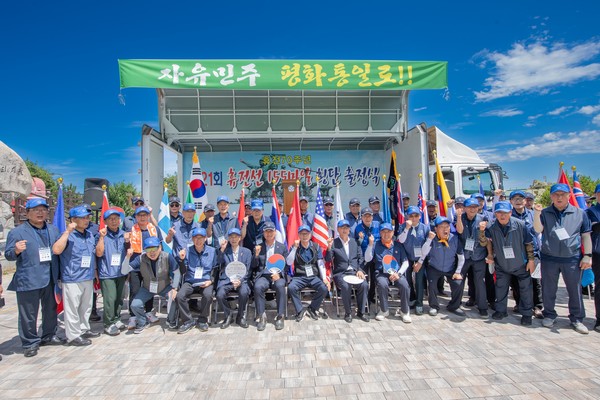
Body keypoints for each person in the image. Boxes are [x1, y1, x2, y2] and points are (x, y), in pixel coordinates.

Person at [5, 198, 65, 357]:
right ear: (27, 213)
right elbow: (8, 255)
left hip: (50, 278)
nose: (40, 213)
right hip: (28, 279)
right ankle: (30, 342)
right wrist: (16, 250)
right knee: (28, 314)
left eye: (43, 210)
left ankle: (49, 335)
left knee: (51, 310)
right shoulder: (17, 232)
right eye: (36, 210)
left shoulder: (53, 230)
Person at [534, 183, 593, 334]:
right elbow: (538, 230)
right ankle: (549, 315)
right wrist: (536, 213)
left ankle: (577, 319)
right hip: (549, 258)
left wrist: (587, 255)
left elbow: (586, 235)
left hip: (572, 258)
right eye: (556, 195)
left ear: (568, 196)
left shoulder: (580, 213)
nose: (559, 197)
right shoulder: (545, 213)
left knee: (574, 290)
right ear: (551, 197)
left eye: (562, 194)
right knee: (548, 289)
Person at [52, 206, 101, 346]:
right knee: (72, 308)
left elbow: (92, 255)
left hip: (88, 276)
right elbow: (56, 250)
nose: (86, 220)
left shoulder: (90, 235)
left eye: (87, 218)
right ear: (73, 220)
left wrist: (95, 272)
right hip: (72, 277)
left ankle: (84, 329)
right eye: (83, 218)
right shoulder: (67, 235)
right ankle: (73, 336)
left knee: (86, 306)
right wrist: (67, 231)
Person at [485, 201, 535, 325]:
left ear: (510, 213)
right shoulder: (491, 227)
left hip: (520, 263)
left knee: (525, 290)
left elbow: (529, 243)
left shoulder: (521, 225)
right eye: (499, 213)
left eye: (505, 213)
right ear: (495, 214)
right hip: (502, 263)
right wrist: (490, 254)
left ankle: (527, 313)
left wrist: (531, 260)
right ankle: (501, 310)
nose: (502, 216)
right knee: (501, 288)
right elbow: (486, 241)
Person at [122, 237, 180, 334]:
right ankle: (142, 321)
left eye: (155, 249)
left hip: (164, 287)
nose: (152, 252)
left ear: (160, 247)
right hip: (147, 288)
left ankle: (171, 320)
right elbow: (124, 271)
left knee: (174, 298)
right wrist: (127, 257)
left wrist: (174, 288)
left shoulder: (167, 256)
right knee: (135, 305)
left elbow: (177, 273)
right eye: (148, 249)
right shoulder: (140, 258)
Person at [418, 216, 466, 317]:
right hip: (434, 267)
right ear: (435, 229)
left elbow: (461, 257)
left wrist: (457, 272)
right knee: (432, 285)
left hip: (450, 267)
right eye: (441, 227)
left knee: (458, 283)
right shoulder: (432, 238)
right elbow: (423, 252)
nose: (445, 229)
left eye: (447, 226)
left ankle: (454, 306)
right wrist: (429, 240)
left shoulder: (455, 239)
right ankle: (434, 306)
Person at [365, 223, 411, 323]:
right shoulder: (376, 244)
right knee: (382, 284)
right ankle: (384, 310)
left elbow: (405, 262)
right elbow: (367, 258)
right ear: (380, 233)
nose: (386, 234)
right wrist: (370, 245)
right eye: (384, 232)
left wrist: (398, 274)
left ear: (392, 232)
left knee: (404, 285)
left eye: (389, 232)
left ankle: (404, 311)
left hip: (397, 273)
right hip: (382, 273)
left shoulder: (398, 245)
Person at [326, 219, 369, 323]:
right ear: (338, 229)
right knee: (345, 286)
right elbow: (328, 259)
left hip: (354, 272)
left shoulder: (355, 242)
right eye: (342, 228)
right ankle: (348, 312)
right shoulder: (334, 243)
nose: (344, 230)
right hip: (340, 273)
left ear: (349, 229)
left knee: (364, 285)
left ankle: (361, 311)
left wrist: (359, 270)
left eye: (346, 227)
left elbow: (360, 258)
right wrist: (329, 247)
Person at [175, 228, 217, 334]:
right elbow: (183, 271)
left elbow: (216, 268)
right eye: (196, 238)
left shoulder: (212, 251)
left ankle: (202, 320)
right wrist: (181, 260)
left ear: (205, 238)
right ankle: (188, 321)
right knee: (180, 296)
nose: (198, 240)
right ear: (192, 239)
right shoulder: (187, 251)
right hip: (190, 281)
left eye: (201, 238)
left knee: (208, 295)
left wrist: (211, 281)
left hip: (205, 281)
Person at [126, 206, 162, 329]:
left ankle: (148, 312)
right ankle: (133, 316)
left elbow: (160, 245)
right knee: (135, 290)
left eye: (144, 215)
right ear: (135, 217)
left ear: (148, 216)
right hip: (136, 265)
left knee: (150, 289)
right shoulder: (130, 230)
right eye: (139, 215)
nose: (142, 217)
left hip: (150, 265)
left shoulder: (154, 229)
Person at [509, 190, 543, 318]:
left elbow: (538, 230)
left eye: (521, 198)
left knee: (536, 281)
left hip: (532, 253)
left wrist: (538, 214)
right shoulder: (507, 215)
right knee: (516, 281)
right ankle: (519, 303)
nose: (518, 201)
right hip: (515, 254)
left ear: (525, 201)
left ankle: (537, 306)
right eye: (515, 199)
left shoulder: (533, 215)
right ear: (511, 201)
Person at [95, 209, 128, 336]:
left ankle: (116, 318)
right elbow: (98, 253)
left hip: (121, 272)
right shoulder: (101, 235)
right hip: (107, 272)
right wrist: (102, 238)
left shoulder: (124, 234)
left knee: (120, 298)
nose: (114, 221)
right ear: (105, 221)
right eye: (111, 219)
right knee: (110, 299)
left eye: (116, 218)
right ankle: (108, 324)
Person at [286, 225, 329, 322]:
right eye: (302, 233)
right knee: (291, 288)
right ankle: (299, 310)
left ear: (310, 234)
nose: (304, 236)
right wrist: (294, 249)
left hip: (313, 276)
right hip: (299, 276)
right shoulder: (294, 247)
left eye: (306, 233)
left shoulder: (316, 246)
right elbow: (289, 262)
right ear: (298, 235)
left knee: (324, 287)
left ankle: (313, 308)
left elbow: (320, 262)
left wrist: (324, 278)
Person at [456, 198, 491, 318]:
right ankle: (456, 304)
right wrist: (459, 217)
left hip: (478, 255)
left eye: (475, 207)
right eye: (470, 207)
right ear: (464, 208)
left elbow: (486, 241)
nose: (472, 209)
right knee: (459, 280)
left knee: (480, 282)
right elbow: (459, 231)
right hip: (464, 255)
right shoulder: (461, 218)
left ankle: (482, 307)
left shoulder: (483, 219)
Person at [251, 221, 289, 330]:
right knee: (258, 287)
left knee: (280, 286)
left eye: (271, 231)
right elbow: (254, 265)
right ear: (263, 233)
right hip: (264, 275)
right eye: (266, 232)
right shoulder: (259, 247)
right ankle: (262, 316)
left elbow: (286, 265)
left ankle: (280, 316)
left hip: (277, 275)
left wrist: (279, 274)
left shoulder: (282, 247)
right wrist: (256, 256)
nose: (268, 234)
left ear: (275, 232)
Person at [216, 227, 252, 329]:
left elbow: (248, 270)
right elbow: (218, 263)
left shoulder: (247, 252)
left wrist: (240, 281)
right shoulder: (225, 251)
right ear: (228, 239)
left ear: (240, 238)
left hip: (242, 280)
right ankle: (228, 315)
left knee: (244, 292)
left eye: (236, 237)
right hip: (227, 280)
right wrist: (221, 251)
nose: (233, 239)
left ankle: (240, 316)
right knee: (220, 294)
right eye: (231, 237)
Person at [398, 206, 430, 315]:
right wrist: (407, 228)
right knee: (407, 280)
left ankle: (419, 303)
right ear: (407, 216)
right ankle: (411, 298)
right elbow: (401, 240)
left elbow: (427, 246)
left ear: (420, 216)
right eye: (411, 216)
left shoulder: (425, 228)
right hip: (407, 257)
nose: (413, 218)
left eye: (416, 216)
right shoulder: (403, 226)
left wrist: (420, 262)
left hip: (420, 258)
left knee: (419, 281)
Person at [354, 207, 381, 306]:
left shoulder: (378, 225)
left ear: (372, 217)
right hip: (363, 257)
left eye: (369, 216)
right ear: (362, 217)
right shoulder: (358, 228)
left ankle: (371, 297)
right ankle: (363, 300)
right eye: (365, 216)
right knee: (364, 279)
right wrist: (360, 240)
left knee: (374, 278)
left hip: (376, 256)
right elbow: (356, 244)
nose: (367, 218)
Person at [586, 184, 600, 332]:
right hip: (598, 253)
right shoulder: (590, 212)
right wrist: (587, 255)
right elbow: (587, 234)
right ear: (596, 195)